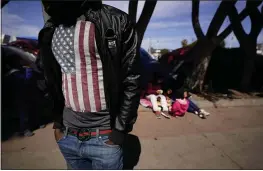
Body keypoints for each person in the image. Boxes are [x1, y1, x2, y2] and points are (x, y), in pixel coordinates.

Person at [37, 1, 140, 170]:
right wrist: (57, 124)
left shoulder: (116, 19)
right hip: (68, 135)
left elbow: (132, 78)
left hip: (105, 137)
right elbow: (49, 77)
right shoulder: (50, 28)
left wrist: (120, 130)